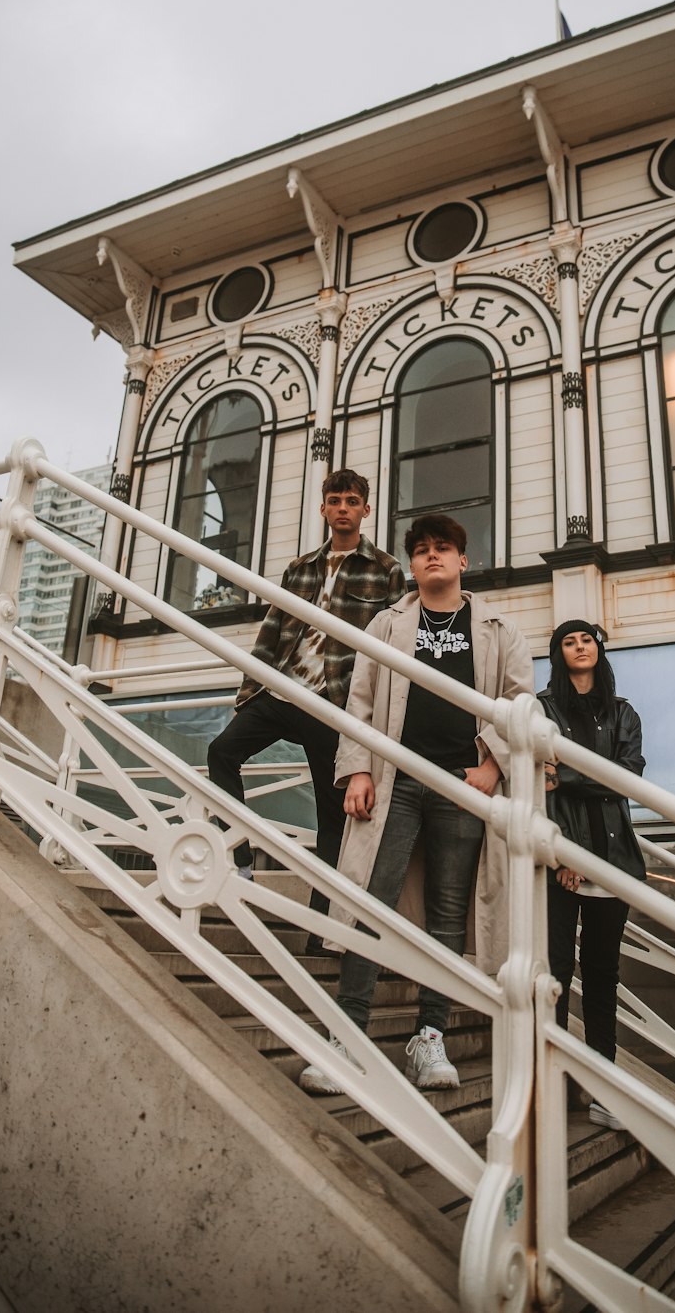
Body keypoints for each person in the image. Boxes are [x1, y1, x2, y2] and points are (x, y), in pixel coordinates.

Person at [299, 512, 533, 1094]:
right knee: (370, 902)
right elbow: (359, 700)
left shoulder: (498, 628)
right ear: (412, 563)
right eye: (422, 549)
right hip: (393, 778)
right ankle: (346, 1035)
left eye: (443, 548)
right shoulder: (386, 624)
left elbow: (520, 702)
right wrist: (355, 770)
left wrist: (492, 766)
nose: (432, 556)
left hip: (462, 786)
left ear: (463, 561)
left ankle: (429, 1036)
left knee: (449, 911)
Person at [206, 469, 406, 936]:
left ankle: (322, 926)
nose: (342, 508)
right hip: (283, 689)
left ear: (365, 510)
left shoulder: (386, 569)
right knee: (221, 752)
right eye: (334, 500)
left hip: (335, 700)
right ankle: (239, 858)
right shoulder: (299, 568)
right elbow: (272, 632)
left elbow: (397, 647)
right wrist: (248, 691)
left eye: (351, 501)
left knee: (330, 811)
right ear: (323, 509)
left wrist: (375, 719)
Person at [539, 620, 646, 1131]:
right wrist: (565, 857)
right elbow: (541, 786)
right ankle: (555, 1081)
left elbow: (627, 777)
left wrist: (570, 773)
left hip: (615, 860)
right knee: (557, 971)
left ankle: (604, 1088)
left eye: (587, 640)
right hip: (562, 860)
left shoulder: (624, 711)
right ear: (558, 654)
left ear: (598, 651)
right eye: (568, 641)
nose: (579, 647)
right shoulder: (543, 709)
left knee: (603, 976)